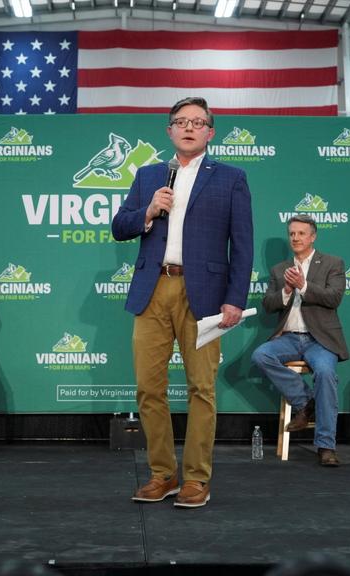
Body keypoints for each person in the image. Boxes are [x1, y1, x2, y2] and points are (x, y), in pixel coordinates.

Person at [111, 96, 253, 508]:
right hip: (153, 289)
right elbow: (120, 226)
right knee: (148, 388)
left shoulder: (231, 178)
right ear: (169, 130)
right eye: (181, 121)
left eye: (198, 122)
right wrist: (149, 210)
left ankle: (196, 478)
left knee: (201, 388)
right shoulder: (149, 175)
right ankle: (162, 473)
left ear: (210, 132)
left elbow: (243, 245)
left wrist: (234, 299)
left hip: (204, 294)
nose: (189, 127)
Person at [251, 214, 349, 466]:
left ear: (313, 237)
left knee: (325, 373)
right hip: (289, 338)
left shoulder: (333, 263)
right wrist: (285, 290)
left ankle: (326, 446)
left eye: (301, 233)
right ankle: (306, 402)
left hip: (320, 339)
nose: (295, 238)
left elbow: (334, 298)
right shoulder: (279, 269)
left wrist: (304, 286)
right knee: (261, 355)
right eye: (292, 233)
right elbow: (268, 305)